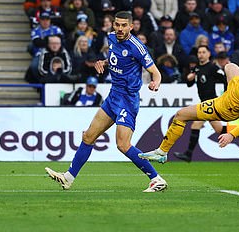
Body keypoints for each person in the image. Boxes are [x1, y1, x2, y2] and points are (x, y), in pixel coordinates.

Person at [140, 15, 239, 164]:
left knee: (181, 115)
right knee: (230, 66)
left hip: (225, 106)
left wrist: (232, 135)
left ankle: (161, 152)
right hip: (238, 87)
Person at [45, 11, 167, 193]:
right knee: (88, 137)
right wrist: (104, 62)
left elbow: (156, 72)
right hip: (113, 97)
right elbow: (117, 59)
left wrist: (155, 82)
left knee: (123, 145)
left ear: (131, 27)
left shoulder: (137, 47)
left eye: (123, 25)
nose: (119, 28)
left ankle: (156, 179)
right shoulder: (111, 38)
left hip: (127, 100)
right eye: (117, 24)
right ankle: (68, 178)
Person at [176, 45, 226, 162]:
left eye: (204, 52)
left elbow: (223, 77)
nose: (201, 54)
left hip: (211, 103)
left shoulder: (212, 67)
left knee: (196, 125)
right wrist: (190, 78)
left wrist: (226, 93)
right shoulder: (197, 68)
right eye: (199, 52)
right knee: (219, 130)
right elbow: (189, 84)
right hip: (205, 103)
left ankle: (188, 155)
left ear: (209, 54)